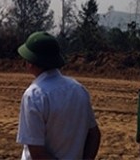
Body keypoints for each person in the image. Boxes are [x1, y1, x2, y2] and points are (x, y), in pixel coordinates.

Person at [16, 31, 101, 160]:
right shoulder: (78, 89)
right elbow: (94, 135)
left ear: (30, 63)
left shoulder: (34, 95)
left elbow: (37, 153)